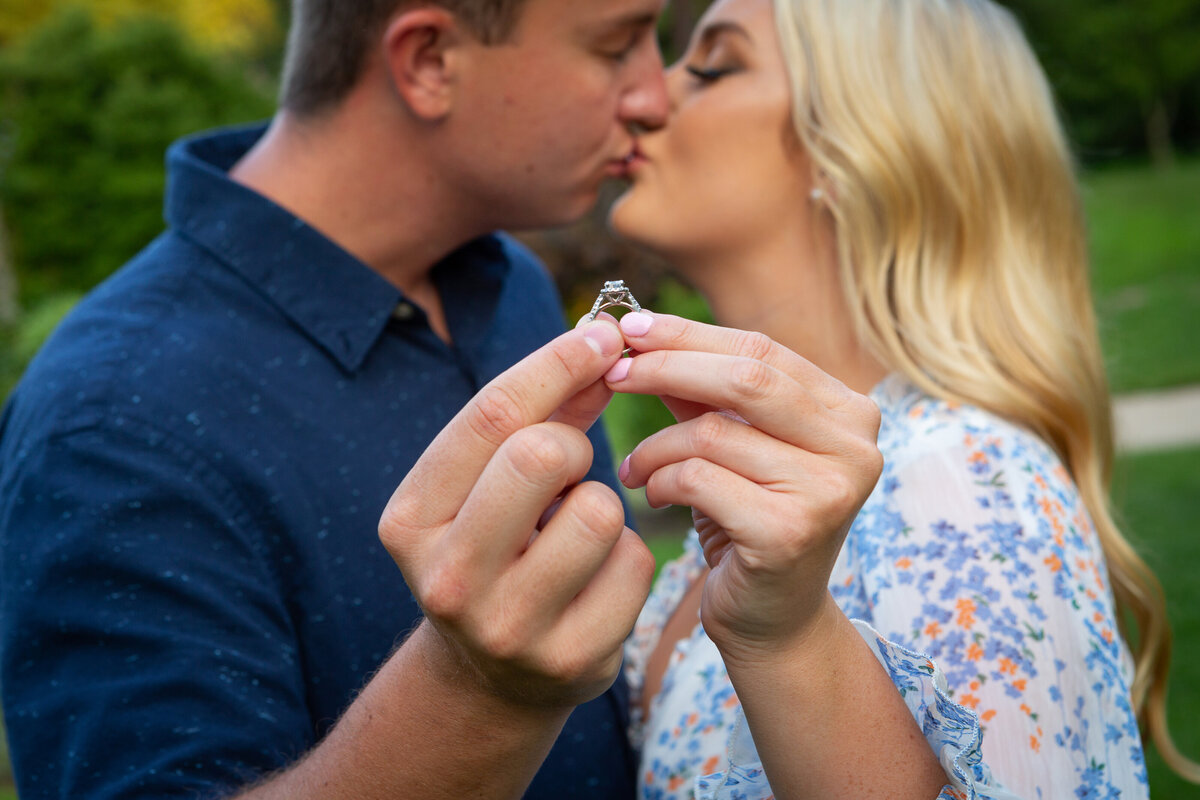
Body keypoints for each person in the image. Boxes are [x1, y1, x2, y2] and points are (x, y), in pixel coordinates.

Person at [0, 0, 675, 796]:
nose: (655, 96)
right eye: (617, 46)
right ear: (429, 61)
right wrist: (478, 695)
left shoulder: (509, 286)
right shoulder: (110, 422)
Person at [601, 0, 1200, 797]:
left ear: (851, 148)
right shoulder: (748, 495)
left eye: (714, 66)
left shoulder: (967, 486)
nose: (643, 95)